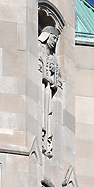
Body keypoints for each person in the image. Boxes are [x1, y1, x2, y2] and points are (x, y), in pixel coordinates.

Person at [38, 26, 62, 157]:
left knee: (47, 114)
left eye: (56, 40)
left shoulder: (53, 57)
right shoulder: (38, 49)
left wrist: (53, 72)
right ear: (46, 36)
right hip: (42, 89)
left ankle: (46, 142)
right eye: (53, 38)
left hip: (47, 91)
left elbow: (57, 81)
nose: (54, 42)